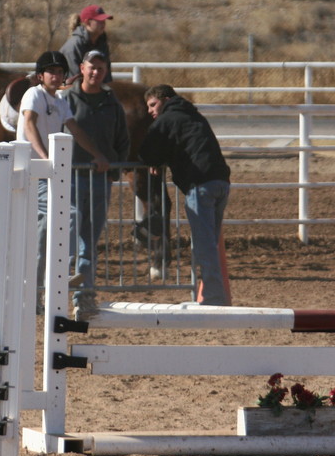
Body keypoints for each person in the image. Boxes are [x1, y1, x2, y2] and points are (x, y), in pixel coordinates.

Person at [18, 50, 109, 295]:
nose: (57, 76)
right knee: (69, 214)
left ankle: (38, 290)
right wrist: (46, 158)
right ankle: (61, 271)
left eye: (60, 72)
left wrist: (97, 154)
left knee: (44, 235)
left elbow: (76, 130)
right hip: (33, 171)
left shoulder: (59, 101)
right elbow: (28, 124)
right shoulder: (34, 94)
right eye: (52, 72)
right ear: (40, 76)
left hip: (46, 174)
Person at [139, 84, 231, 306]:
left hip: (200, 186)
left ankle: (213, 298)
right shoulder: (192, 114)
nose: (151, 111)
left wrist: (154, 161)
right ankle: (215, 294)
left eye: (153, 105)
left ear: (166, 100)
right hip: (221, 182)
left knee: (204, 245)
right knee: (210, 243)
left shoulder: (167, 119)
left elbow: (147, 149)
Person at [64, 50, 130, 296]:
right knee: (66, 236)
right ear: (82, 68)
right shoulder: (66, 100)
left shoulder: (112, 104)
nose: (95, 72)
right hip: (70, 178)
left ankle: (85, 292)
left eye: (100, 68)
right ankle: (58, 289)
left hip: (100, 180)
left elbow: (123, 140)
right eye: (92, 67)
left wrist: (114, 169)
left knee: (89, 240)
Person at [59, 5, 114, 83]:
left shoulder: (102, 43)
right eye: (100, 21)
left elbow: (106, 75)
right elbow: (74, 79)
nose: (103, 24)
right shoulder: (74, 45)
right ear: (88, 22)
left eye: (104, 21)